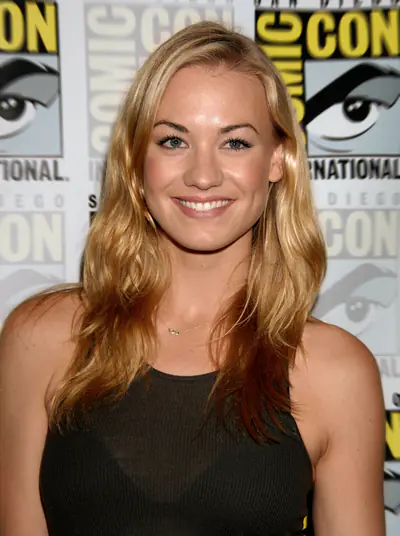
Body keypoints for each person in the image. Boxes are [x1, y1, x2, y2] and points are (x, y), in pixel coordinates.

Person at [0, 21, 385, 536]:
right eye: (174, 140)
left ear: (278, 160)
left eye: (235, 143)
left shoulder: (336, 372)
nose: (203, 175)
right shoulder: (42, 337)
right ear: (136, 160)